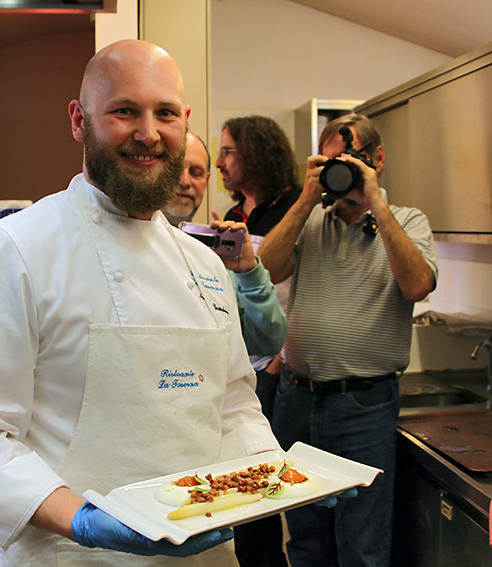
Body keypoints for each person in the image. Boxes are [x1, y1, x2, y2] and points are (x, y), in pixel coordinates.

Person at [0, 40, 280, 567]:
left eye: (164, 113)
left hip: (205, 556)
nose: (147, 133)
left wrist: (277, 476)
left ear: (184, 122)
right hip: (72, 555)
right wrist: (81, 520)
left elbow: (230, 405)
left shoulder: (204, 264)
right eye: (123, 111)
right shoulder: (17, 249)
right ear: (78, 119)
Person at [258, 113, 439, 567]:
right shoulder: (311, 221)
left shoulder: (407, 220)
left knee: (362, 545)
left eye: (353, 158)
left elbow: (417, 285)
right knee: (305, 540)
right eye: (332, 160)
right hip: (296, 399)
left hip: (364, 407)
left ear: (377, 159)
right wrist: (306, 199)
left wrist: (374, 203)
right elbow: (265, 271)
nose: (344, 168)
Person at [214, 116, 300, 567]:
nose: (218, 163)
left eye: (228, 151)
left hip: (269, 370)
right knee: (240, 505)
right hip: (235, 368)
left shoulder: (289, 211)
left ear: (256, 152)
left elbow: (298, 289)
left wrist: (279, 359)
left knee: (261, 503)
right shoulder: (236, 217)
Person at [163, 131, 287, 358]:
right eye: (175, 169)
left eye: (196, 172)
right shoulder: (124, 245)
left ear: (207, 181)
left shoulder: (213, 258)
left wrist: (250, 272)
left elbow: (268, 340)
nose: (184, 181)